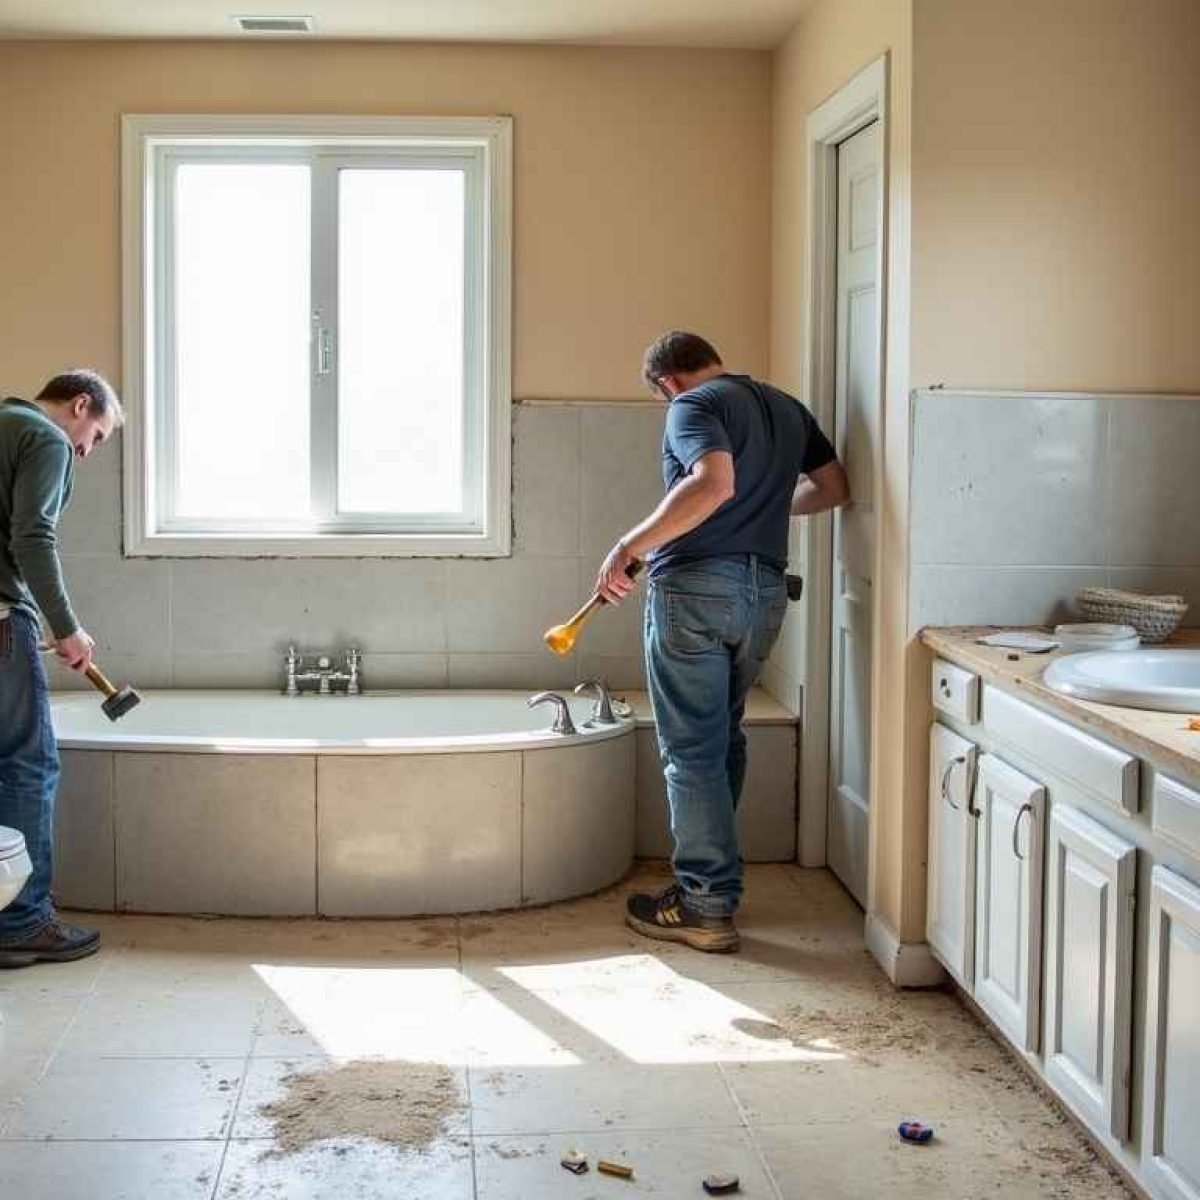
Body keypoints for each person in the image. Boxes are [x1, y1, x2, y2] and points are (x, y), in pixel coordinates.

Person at [595, 332, 849, 952]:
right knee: (723, 735)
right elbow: (834, 488)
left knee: (691, 749)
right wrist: (762, 508)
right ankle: (712, 889)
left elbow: (711, 483)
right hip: (763, 592)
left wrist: (630, 547)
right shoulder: (786, 407)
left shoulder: (693, 405)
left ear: (666, 382)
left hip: (697, 588)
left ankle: (705, 902)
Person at [0, 370, 122, 967]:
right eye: (95, 436)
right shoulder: (45, 439)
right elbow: (34, 538)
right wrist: (66, 627)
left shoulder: (3, 424)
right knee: (28, 764)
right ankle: (22, 920)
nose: (86, 451)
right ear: (80, 405)